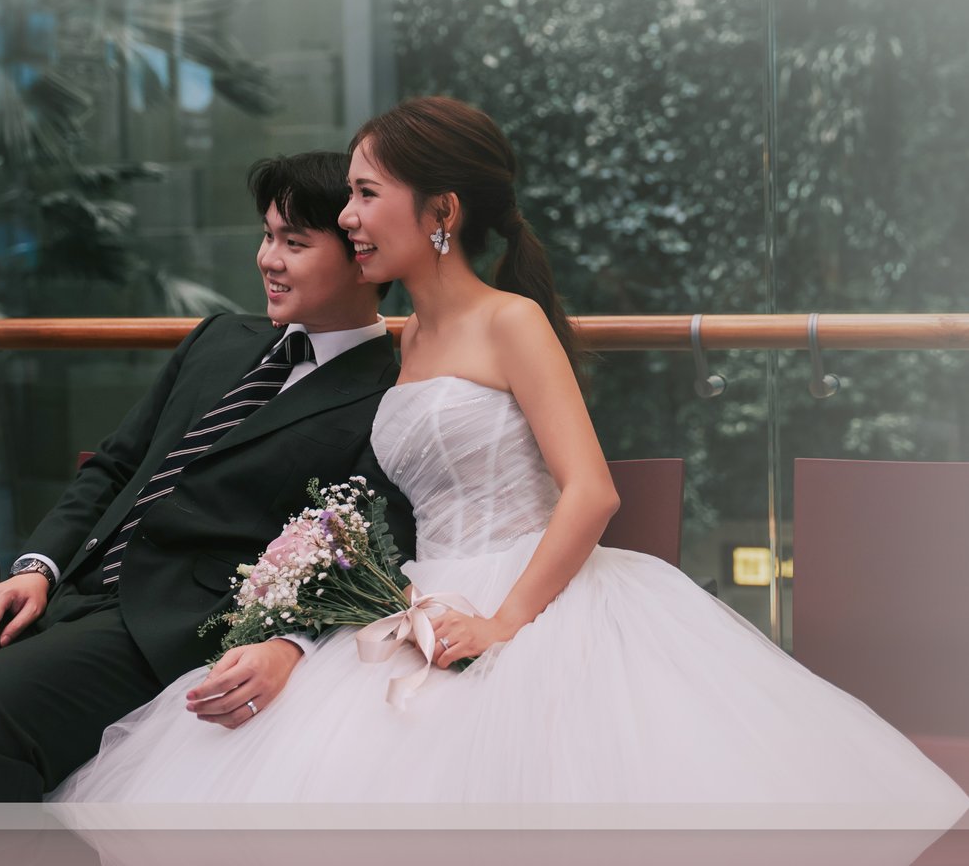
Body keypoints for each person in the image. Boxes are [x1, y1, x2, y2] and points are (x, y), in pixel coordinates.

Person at [51, 97, 969, 824]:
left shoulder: (511, 321)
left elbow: (591, 492)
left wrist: (504, 623)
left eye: (366, 194)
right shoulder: (407, 341)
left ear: (441, 212)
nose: (349, 216)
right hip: (425, 593)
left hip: (537, 598)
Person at [0, 150, 417, 802]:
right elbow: (115, 465)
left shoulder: (390, 395)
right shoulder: (219, 339)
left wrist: (290, 642)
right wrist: (35, 568)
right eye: (266, 236)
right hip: (64, 593)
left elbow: (368, 553)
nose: (268, 259)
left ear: (360, 254)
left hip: (168, 626)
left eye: (294, 243)